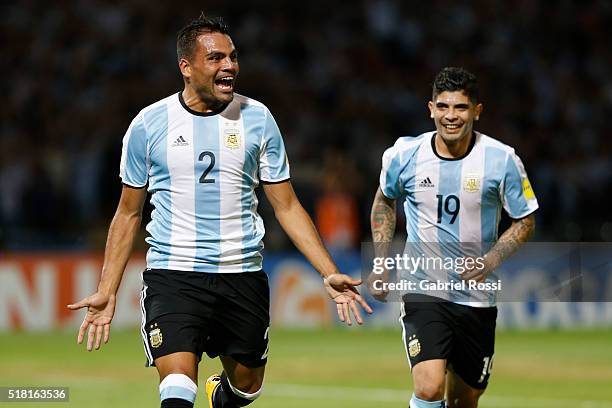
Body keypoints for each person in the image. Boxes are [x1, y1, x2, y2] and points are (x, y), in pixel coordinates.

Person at [68, 14, 372, 408]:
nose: (229, 66)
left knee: (247, 387)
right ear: (186, 67)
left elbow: (287, 205)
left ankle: (223, 395)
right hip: (174, 275)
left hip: (241, 273)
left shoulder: (258, 118)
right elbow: (127, 214)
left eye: (232, 57)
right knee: (177, 386)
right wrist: (107, 290)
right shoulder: (149, 124)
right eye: (215, 58)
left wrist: (328, 271)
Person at [369, 67, 537, 408]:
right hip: (423, 287)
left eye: (460, 107)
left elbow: (525, 220)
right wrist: (382, 262)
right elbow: (384, 200)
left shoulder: (501, 159)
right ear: (430, 108)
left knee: (464, 400)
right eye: (443, 106)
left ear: (477, 110)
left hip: (476, 298)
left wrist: (490, 260)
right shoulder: (404, 154)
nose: (450, 116)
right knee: (429, 387)